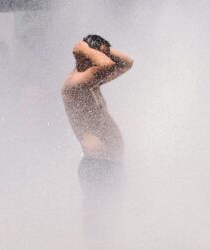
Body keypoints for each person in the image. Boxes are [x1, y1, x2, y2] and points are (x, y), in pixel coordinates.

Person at [62, 34, 133, 248]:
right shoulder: (75, 83)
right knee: (96, 221)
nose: (102, 58)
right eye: (97, 54)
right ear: (85, 57)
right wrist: (85, 49)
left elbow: (127, 63)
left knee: (111, 220)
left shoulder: (92, 83)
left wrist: (102, 49)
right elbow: (108, 65)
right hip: (96, 164)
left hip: (109, 164)